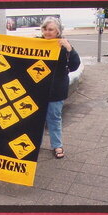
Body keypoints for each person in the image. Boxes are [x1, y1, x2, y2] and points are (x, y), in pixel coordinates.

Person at [40, 17, 81, 159]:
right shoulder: (36, 43)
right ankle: (34, 144)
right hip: (37, 89)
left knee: (54, 118)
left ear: (58, 31)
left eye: (50, 29)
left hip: (56, 90)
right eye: (45, 29)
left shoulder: (64, 46)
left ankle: (57, 145)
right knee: (35, 119)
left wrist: (69, 48)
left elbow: (74, 65)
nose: (47, 32)